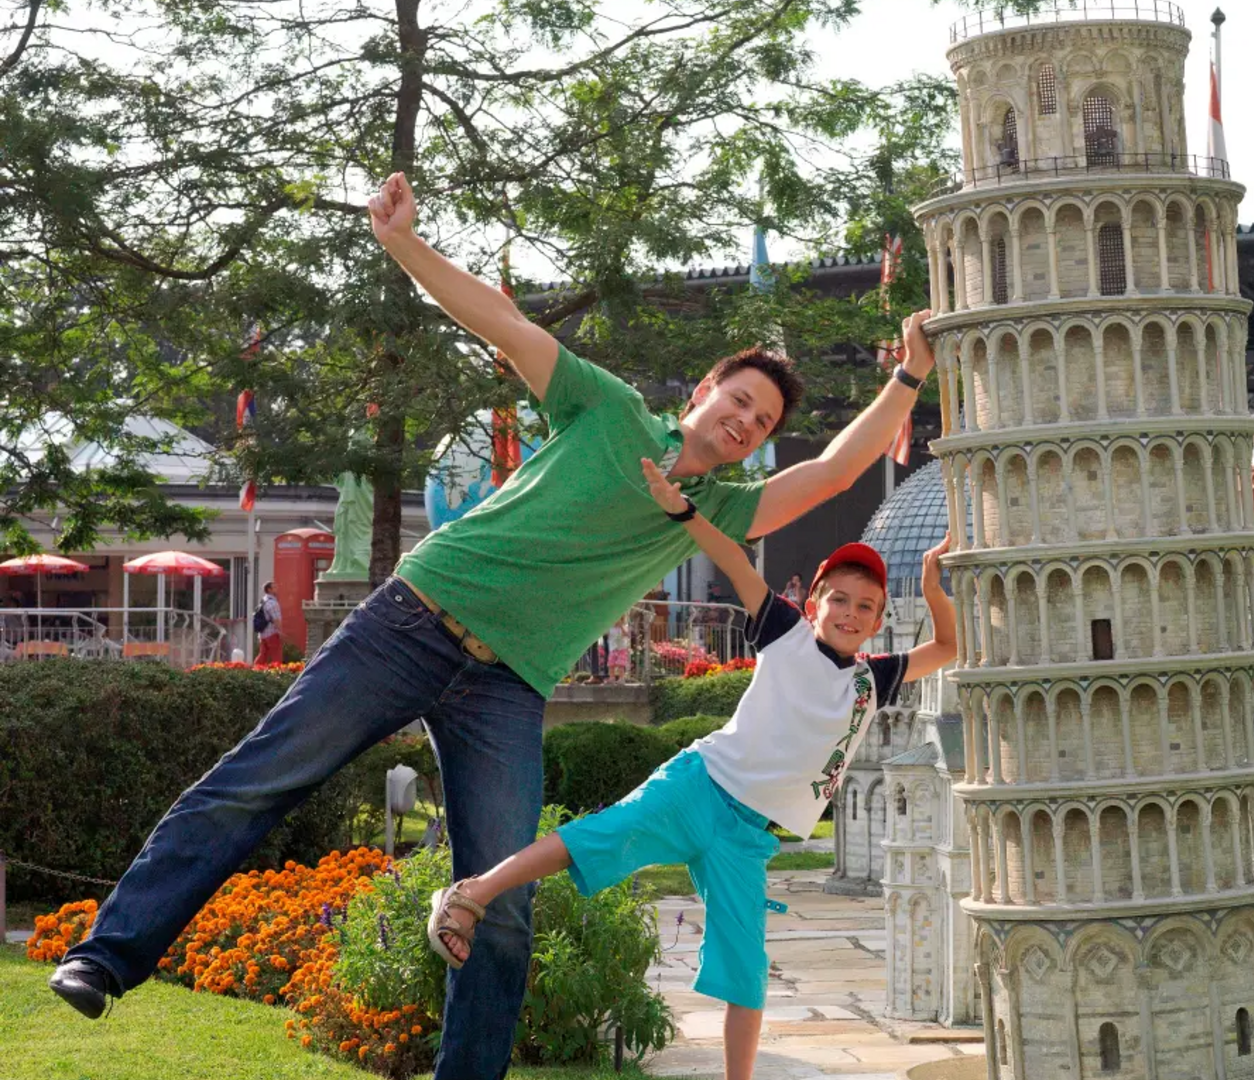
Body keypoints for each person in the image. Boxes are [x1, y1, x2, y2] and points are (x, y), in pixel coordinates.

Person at [48, 170, 936, 1080]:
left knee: (501, 901)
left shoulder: (723, 505)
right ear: (702, 394)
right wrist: (403, 245)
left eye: (764, 420)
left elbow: (835, 470)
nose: (747, 422)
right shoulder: (607, 407)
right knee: (258, 780)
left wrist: (908, 374)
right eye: (738, 400)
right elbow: (505, 326)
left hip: (508, 685)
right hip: (413, 621)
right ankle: (106, 956)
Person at [423, 457, 955, 1080]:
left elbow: (946, 648)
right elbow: (732, 558)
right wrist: (682, 510)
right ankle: (470, 894)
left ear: (877, 618)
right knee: (592, 839)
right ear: (812, 602)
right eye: (838, 598)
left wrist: (933, 587)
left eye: (866, 606)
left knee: (747, 972)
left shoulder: (873, 678)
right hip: (699, 787)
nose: (850, 613)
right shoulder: (783, 633)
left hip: (747, 839)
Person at [250, 582, 283, 666]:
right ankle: (278, 673)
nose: (277, 589)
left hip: (262, 634)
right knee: (276, 656)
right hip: (272, 633)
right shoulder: (272, 603)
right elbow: (276, 620)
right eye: (274, 587)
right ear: (269, 590)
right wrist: (280, 632)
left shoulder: (263, 600)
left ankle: (255, 671)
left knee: (263, 655)